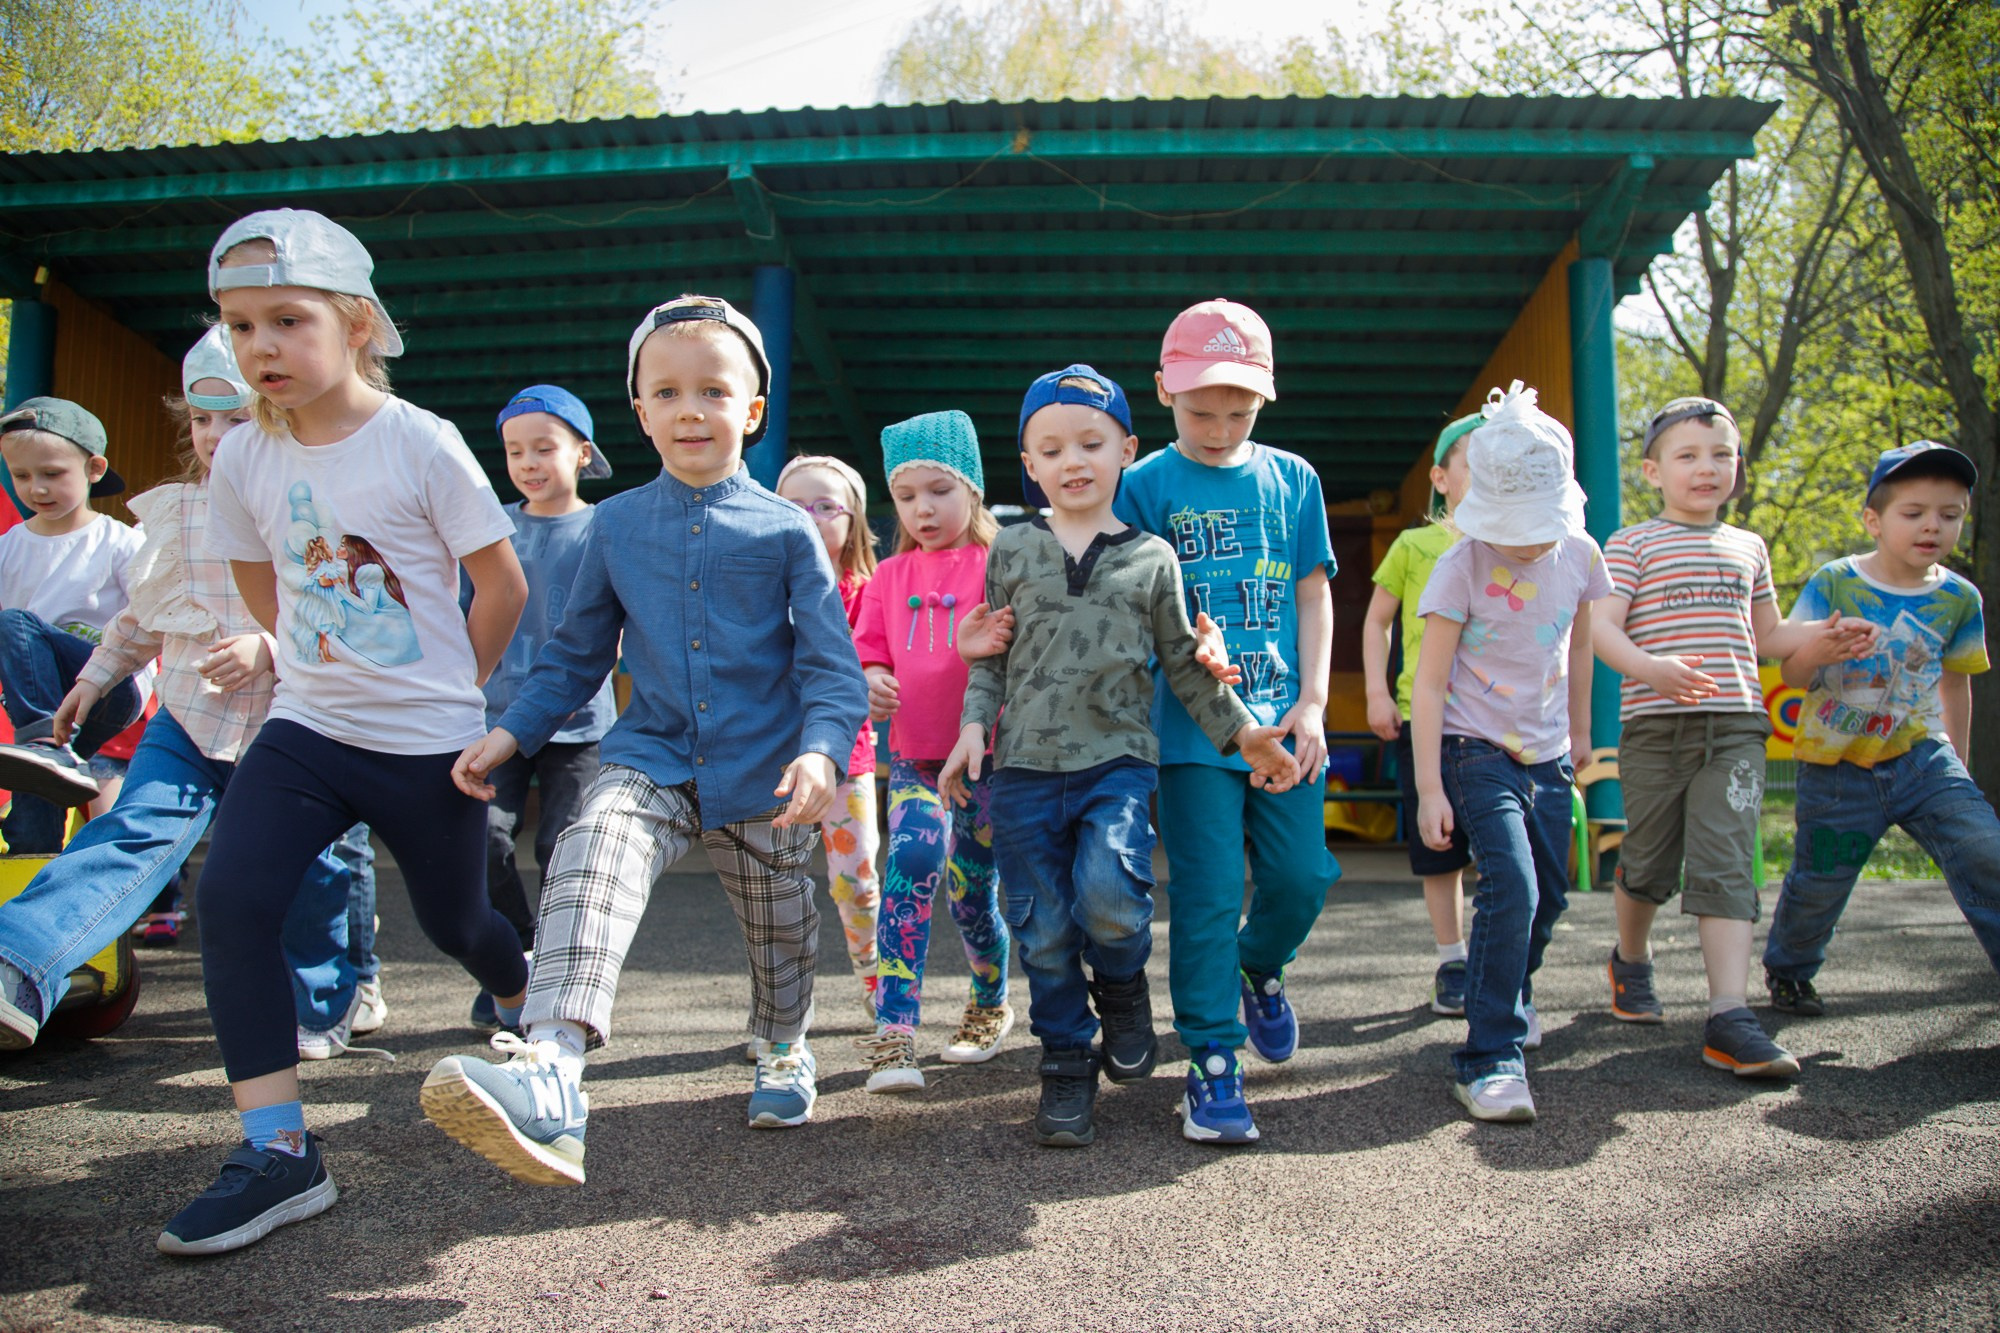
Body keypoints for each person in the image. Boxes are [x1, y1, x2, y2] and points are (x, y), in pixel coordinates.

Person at [420, 294, 867, 1187]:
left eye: (713, 390)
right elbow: (574, 654)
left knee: (779, 931)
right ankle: (551, 1070)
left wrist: (821, 749)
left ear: (752, 410)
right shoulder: (615, 524)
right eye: (666, 393)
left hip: (767, 773)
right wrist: (507, 734)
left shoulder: (785, 529)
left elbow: (833, 669)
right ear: (640, 413)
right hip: (650, 753)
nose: (690, 409)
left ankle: (783, 1045)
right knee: (589, 846)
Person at [153, 209, 533, 1256]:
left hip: (428, 743)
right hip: (308, 729)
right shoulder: (243, 461)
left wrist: (461, 687)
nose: (261, 346)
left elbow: (500, 582)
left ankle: (518, 993)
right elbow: (254, 573)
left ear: (357, 322)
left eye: (286, 318)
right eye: (239, 326)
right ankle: (277, 1153)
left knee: (460, 925)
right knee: (229, 900)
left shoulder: (419, 442)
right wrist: (302, 658)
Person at [942, 364, 1299, 1148]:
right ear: (1028, 464)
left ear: (1126, 450)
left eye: (1092, 443)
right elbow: (990, 660)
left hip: (1118, 764)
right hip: (1026, 768)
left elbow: (1185, 667)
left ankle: (1124, 980)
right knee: (1039, 931)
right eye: (1052, 447)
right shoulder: (1009, 550)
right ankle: (1066, 1061)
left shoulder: (1153, 559)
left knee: (1110, 896)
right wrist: (974, 728)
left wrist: (1245, 735)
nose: (1074, 460)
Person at [0, 330, 370, 1057]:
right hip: (190, 717)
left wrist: (268, 645)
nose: (213, 436)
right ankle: (19, 961)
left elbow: (351, 613)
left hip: (293, 724)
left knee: (310, 865)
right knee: (132, 832)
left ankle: (322, 1002)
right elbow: (144, 610)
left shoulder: (317, 507)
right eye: (201, 421)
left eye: (235, 418)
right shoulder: (182, 512)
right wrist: (92, 679)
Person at [1112, 300, 1340, 1144]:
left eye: (1237, 411)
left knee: (1301, 878)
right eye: (1199, 409)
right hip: (1190, 734)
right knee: (1207, 895)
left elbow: (1313, 589)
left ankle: (1261, 964)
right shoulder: (1144, 486)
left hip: (1285, 721)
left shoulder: (1294, 478)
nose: (1217, 426)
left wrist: (1314, 701)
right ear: (1164, 391)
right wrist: (1177, 638)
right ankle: (1212, 1059)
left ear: (1265, 400)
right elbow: (1129, 602)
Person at [1593, 397, 1875, 1079]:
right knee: (1649, 864)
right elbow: (1602, 628)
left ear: (1738, 466)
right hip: (1655, 727)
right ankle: (1631, 958)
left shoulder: (1749, 546)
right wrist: (1649, 668)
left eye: (1721, 454)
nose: (1707, 468)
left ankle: (1728, 1014)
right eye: (1688, 456)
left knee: (1724, 861)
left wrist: (1824, 637)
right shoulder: (1630, 543)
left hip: (1737, 727)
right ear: (1653, 471)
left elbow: (1771, 638)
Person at [1412, 382, 1610, 1125]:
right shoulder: (1459, 566)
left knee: (1550, 897)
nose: (1529, 541)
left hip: (1550, 751)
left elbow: (1582, 646)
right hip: (1475, 748)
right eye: (1513, 527)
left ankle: (1507, 989)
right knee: (1513, 887)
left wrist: (1584, 733)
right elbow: (1430, 685)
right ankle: (1489, 1055)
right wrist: (1431, 787)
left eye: (1541, 525)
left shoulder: (1581, 554)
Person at [1763, 441, 2000, 1011]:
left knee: (1985, 850)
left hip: (1923, 756)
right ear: (1874, 520)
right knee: (1818, 882)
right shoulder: (1836, 582)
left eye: (1950, 515)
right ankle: (1791, 971)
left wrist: (1958, 768)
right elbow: (1792, 674)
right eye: (1914, 513)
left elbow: (1955, 683)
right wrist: (1821, 648)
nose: (1933, 527)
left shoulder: (1959, 598)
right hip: (1836, 765)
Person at [849, 411, 1012, 1094]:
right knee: (911, 863)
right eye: (908, 494)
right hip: (916, 759)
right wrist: (871, 678)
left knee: (974, 895)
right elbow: (864, 651)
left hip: (992, 764)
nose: (923, 508)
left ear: (972, 488)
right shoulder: (888, 576)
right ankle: (894, 1031)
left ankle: (989, 997)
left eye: (939, 489)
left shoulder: (1001, 562)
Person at [463, 385, 614, 1032]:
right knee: (486, 839)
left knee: (562, 846)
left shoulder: (604, 528)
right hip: (496, 719)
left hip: (580, 724)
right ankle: (517, 959)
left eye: (544, 448)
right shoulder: (487, 526)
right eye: (514, 451)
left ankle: (560, 970)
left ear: (582, 453)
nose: (528, 461)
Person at [0, 398, 150, 851]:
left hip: (106, 686)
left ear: (93, 468)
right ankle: (33, 869)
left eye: (51, 474)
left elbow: (151, 615)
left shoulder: (121, 542)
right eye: (21, 476)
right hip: (39, 702)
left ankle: (45, 745)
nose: (36, 489)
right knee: (34, 790)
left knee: (16, 623)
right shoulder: (9, 546)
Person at [1364, 414, 1475, 1016]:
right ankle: (1451, 956)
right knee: (1441, 847)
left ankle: (1500, 954)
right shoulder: (1415, 544)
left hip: (1504, 724)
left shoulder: (1529, 542)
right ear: (1440, 476)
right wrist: (1378, 694)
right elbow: (1377, 620)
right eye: (1474, 465)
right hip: (1424, 719)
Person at [775, 453, 882, 1020]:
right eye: (794, 507)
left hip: (846, 761)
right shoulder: (760, 593)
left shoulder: (868, 592)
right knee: (774, 890)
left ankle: (875, 982)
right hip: (768, 763)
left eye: (825, 507)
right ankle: (783, 1003)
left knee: (857, 883)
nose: (811, 518)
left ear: (852, 521)